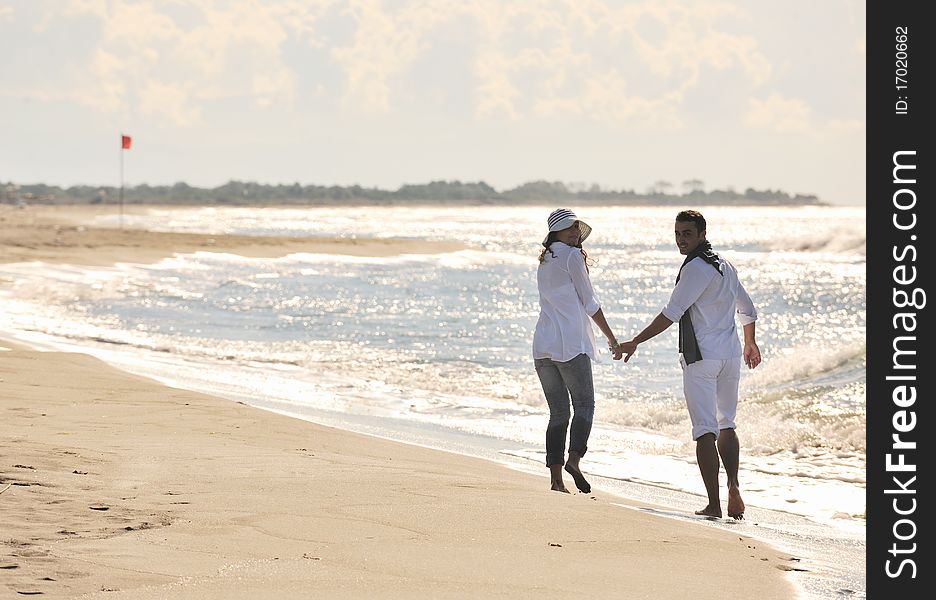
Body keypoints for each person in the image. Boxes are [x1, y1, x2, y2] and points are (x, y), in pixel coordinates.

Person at [617, 210, 761, 519]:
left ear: (702, 235)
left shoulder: (696, 268)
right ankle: (734, 486)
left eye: (687, 234)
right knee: (727, 424)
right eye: (678, 234)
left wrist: (636, 341)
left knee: (704, 430)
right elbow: (747, 310)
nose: (681, 239)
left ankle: (714, 503)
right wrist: (750, 343)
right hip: (730, 356)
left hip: (702, 359)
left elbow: (672, 312)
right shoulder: (725, 265)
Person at [533, 208, 622, 494]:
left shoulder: (545, 259)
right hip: (571, 345)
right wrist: (612, 338)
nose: (575, 232)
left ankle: (556, 481)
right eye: (569, 228)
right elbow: (590, 302)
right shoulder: (571, 257)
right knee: (584, 406)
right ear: (556, 231)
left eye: (576, 229)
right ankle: (573, 461)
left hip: (543, 346)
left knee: (558, 413)